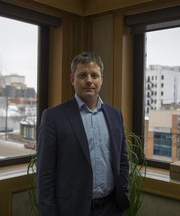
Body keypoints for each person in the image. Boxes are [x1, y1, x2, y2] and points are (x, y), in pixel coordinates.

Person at [37, 51, 130, 216]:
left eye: (94, 75)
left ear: (102, 79)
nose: (89, 80)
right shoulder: (53, 117)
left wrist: (123, 192)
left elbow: (122, 161)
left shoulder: (115, 115)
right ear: (72, 79)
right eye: (82, 75)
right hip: (72, 210)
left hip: (111, 208)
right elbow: (45, 174)